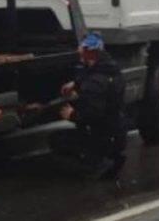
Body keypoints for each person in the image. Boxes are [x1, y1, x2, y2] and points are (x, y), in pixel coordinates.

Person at [49, 31, 126, 179]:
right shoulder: (112, 69)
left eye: (81, 49)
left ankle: (99, 162)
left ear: (89, 52)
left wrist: (72, 115)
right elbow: (93, 77)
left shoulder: (95, 82)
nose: (79, 51)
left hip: (103, 135)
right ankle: (110, 156)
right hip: (117, 133)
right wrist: (76, 84)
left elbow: (93, 115)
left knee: (57, 140)